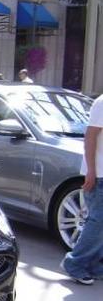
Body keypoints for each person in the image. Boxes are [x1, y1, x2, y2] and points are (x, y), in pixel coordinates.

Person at [61, 94, 103, 285]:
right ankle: (74, 264)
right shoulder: (102, 102)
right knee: (97, 222)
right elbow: (90, 136)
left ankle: (92, 265)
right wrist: (91, 172)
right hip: (100, 173)